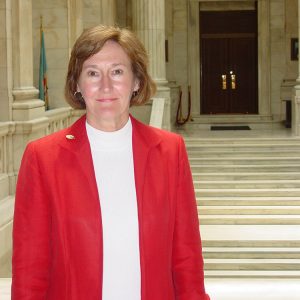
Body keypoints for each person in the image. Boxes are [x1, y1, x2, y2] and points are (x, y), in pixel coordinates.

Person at [12, 25, 210, 300]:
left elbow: (186, 258)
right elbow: (30, 270)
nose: (106, 85)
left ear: (137, 81)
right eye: (93, 73)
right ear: (78, 85)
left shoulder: (169, 152)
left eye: (117, 71)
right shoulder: (43, 158)